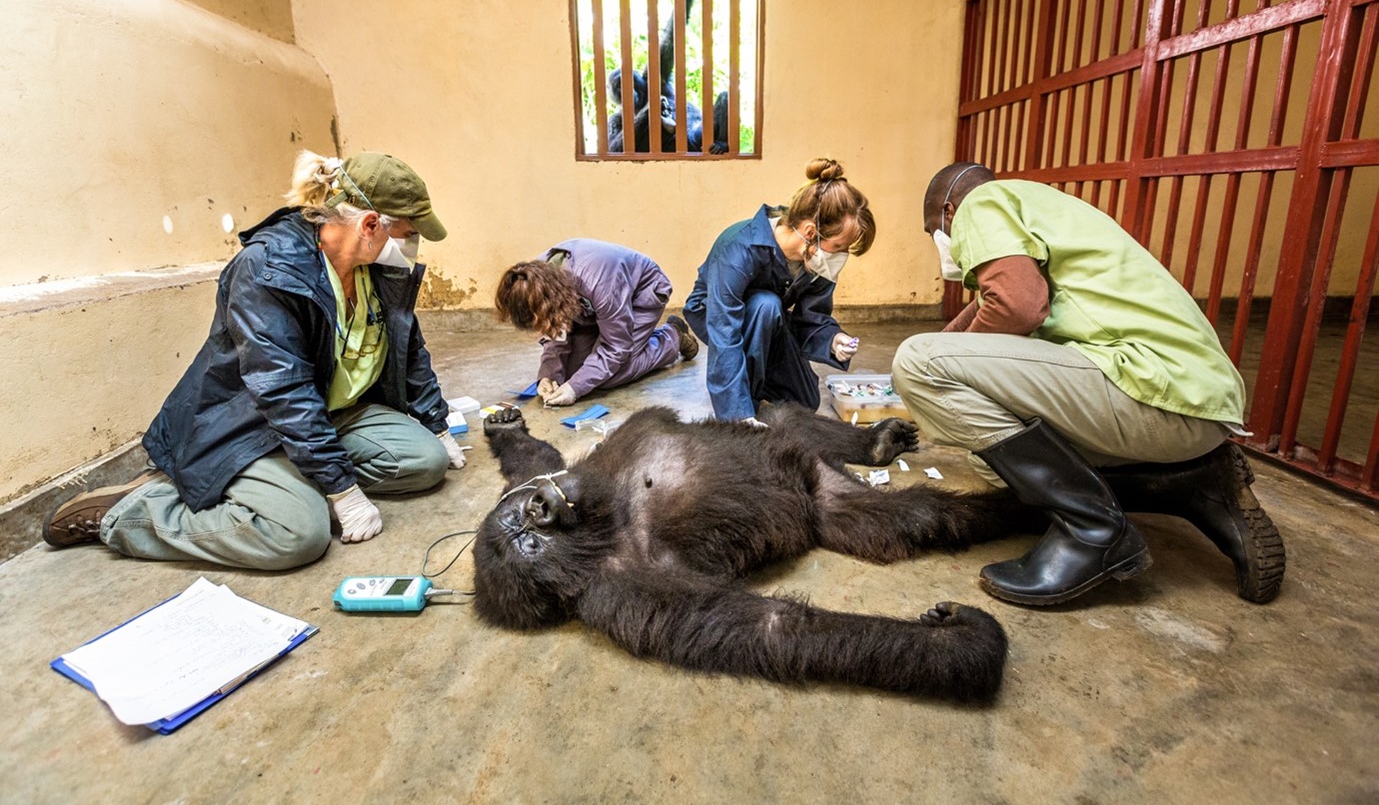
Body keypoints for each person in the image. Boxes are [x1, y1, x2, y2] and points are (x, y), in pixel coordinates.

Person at [41, 150, 468, 569]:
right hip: (252, 427)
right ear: (371, 224)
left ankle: (292, 482)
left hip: (332, 411)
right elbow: (284, 390)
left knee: (424, 462)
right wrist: (342, 491)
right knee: (299, 536)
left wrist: (437, 423)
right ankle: (132, 511)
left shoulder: (372, 266)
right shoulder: (267, 268)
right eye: (408, 233)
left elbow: (407, 344)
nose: (410, 246)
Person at [892, 162, 1285, 607]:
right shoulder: (1047, 211)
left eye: (934, 232)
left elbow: (1017, 308)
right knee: (992, 464)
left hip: (1151, 385)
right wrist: (946, 353)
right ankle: (1186, 485)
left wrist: (923, 373)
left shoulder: (983, 203)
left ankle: (1094, 531)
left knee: (915, 360)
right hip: (1191, 409)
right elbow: (986, 315)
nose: (942, 243)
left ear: (948, 210)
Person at [684, 157, 875, 423]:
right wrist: (737, 417)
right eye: (840, 247)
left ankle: (755, 382)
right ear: (811, 232)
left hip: (768, 318)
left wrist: (833, 339)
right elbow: (724, 332)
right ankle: (742, 405)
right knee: (766, 304)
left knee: (804, 403)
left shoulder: (815, 259)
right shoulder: (739, 248)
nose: (842, 256)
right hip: (716, 314)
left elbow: (812, 317)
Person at [494, 239, 698, 407]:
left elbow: (616, 347)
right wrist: (548, 375)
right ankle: (647, 341)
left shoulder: (599, 284)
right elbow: (555, 332)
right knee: (574, 372)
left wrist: (575, 388)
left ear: (550, 306)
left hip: (641, 293)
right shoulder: (532, 283)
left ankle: (672, 338)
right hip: (592, 309)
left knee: (611, 375)